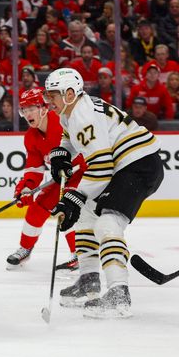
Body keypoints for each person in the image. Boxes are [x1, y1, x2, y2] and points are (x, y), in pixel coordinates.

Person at [44, 67, 164, 319]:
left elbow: (101, 165)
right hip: (127, 165)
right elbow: (69, 134)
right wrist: (62, 152)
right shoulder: (71, 110)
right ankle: (89, 280)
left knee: (108, 223)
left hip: (138, 165)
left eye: (52, 95)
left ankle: (119, 292)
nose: (48, 101)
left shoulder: (82, 115)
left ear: (68, 93)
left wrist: (73, 196)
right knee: (87, 216)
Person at [6, 90, 82, 270]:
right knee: (37, 207)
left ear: (44, 108)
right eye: (24, 110)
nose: (27, 114)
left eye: (31, 108)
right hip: (62, 178)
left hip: (84, 173)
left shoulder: (64, 123)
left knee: (67, 209)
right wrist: (26, 188)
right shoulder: (30, 137)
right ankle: (25, 249)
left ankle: (80, 253)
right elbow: (34, 169)